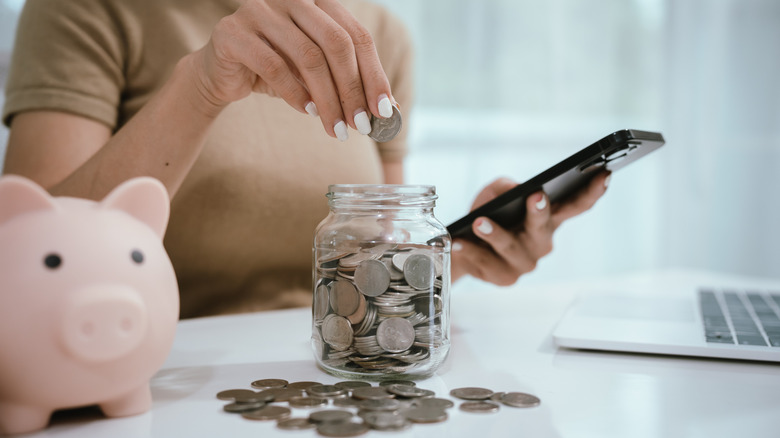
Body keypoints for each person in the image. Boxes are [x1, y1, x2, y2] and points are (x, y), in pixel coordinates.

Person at [1, 0, 609, 318]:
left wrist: (461, 256)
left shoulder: (377, 35)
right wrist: (200, 87)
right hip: (150, 370)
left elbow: (376, 265)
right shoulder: (88, 9)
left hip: (333, 370)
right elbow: (22, 252)